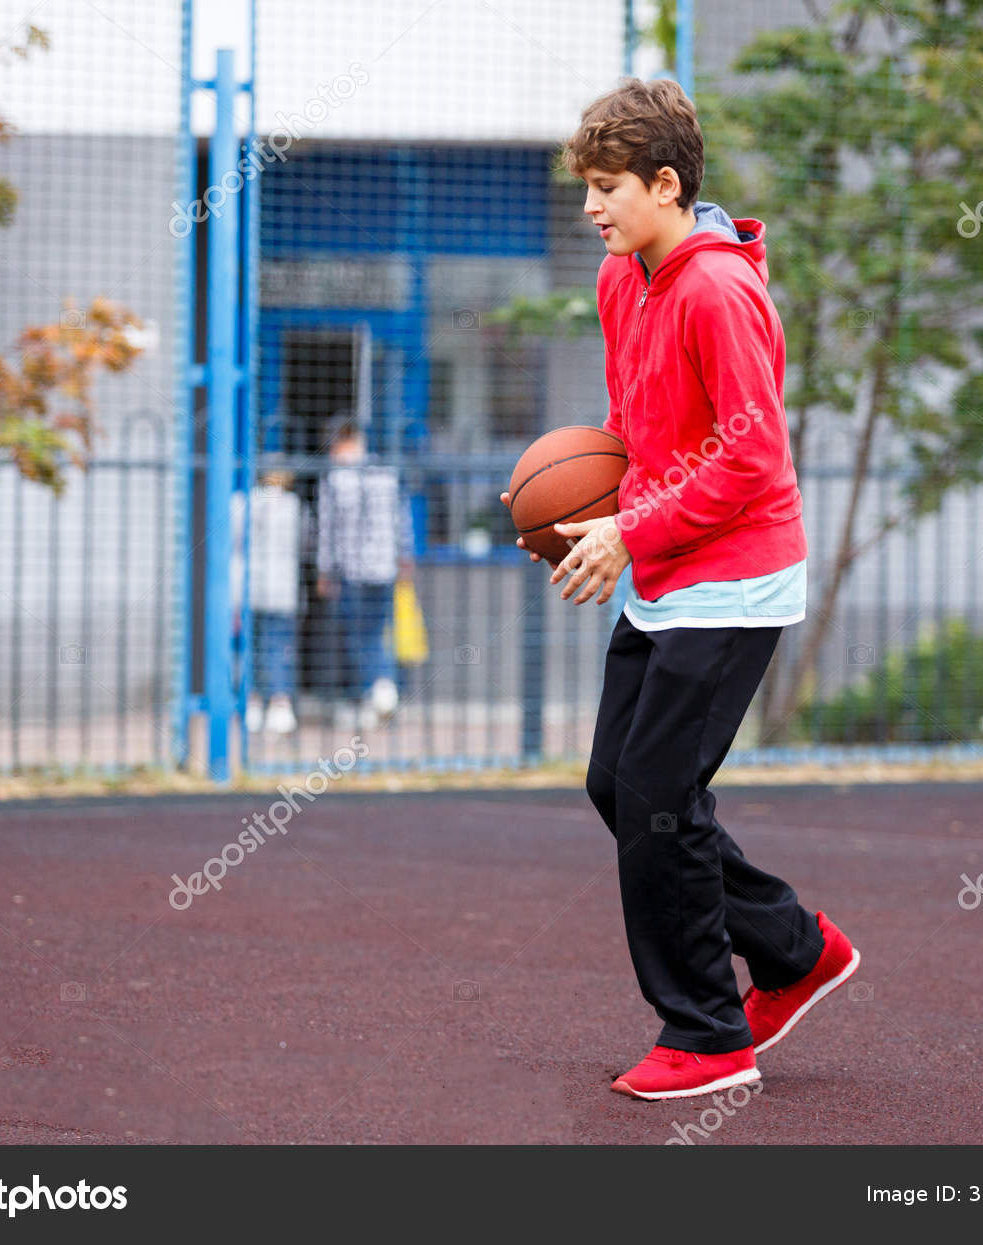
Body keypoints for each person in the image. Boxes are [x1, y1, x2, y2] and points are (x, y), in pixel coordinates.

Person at [501, 78, 860, 1101]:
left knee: (660, 799)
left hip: (735, 584)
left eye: (606, 187)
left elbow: (751, 462)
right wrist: (567, 506)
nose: (589, 208)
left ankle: (707, 1035)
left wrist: (628, 527)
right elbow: (639, 433)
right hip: (663, 570)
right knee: (618, 787)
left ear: (665, 185)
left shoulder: (716, 290)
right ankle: (794, 950)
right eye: (586, 188)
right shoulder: (625, 279)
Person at [316, 419, 413, 726]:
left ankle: (379, 687)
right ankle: (380, 690)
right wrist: (404, 557)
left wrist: (324, 569)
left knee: (358, 635)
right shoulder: (385, 474)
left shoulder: (334, 479)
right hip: (384, 566)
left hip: (353, 569)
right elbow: (402, 520)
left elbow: (326, 530)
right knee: (378, 630)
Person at [232, 471, 309, 735]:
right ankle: (280, 705)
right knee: (279, 647)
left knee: (249, 647)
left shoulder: (242, 503)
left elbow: (231, 542)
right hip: (283, 589)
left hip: (250, 587)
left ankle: (250, 702)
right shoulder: (294, 506)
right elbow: (305, 542)